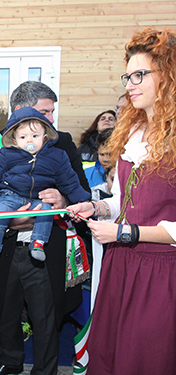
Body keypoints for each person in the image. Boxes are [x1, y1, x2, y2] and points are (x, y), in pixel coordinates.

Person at [67, 27, 176, 375]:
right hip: (121, 264)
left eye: (140, 74)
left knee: (144, 357)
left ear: (169, 76)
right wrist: (97, 207)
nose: (129, 84)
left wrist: (126, 233)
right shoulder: (135, 132)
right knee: (111, 353)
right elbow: (123, 200)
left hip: (160, 273)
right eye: (128, 75)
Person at [0, 80, 90, 375]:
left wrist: (61, 198)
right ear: (17, 113)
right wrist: (10, 219)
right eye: (43, 112)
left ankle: (45, 372)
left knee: (46, 319)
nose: (49, 119)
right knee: (6, 312)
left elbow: (81, 192)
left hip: (46, 248)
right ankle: (10, 364)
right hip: (6, 247)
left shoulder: (61, 143)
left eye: (51, 113)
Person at [0, 107, 90, 266]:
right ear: (14, 140)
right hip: (10, 195)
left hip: (38, 197)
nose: (29, 141)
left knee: (46, 211)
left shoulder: (57, 156)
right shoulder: (6, 154)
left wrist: (82, 200)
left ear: (45, 136)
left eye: (35, 136)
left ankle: (38, 243)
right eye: (23, 137)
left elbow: (69, 180)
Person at [84, 128, 113, 197]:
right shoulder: (85, 174)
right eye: (102, 154)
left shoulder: (129, 175)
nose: (105, 159)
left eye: (110, 154)